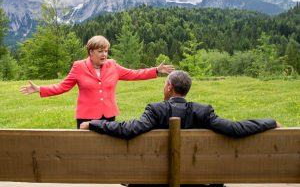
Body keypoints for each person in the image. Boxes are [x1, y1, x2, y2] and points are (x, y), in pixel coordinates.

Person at [20, 35, 174, 128]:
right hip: (86, 116)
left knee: (107, 149)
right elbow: (63, 87)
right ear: (91, 52)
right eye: (100, 51)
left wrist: (155, 70)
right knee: (85, 150)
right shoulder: (78, 66)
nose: (104, 54)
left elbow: (133, 74)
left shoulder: (112, 65)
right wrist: (40, 89)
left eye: (106, 51)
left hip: (108, 115)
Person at [80, 70, 281, 138]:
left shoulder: (156, 110)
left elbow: (128, 130)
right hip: (198, 180)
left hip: (154, 181)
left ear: (169, 87)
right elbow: (236, 128)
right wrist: (270, 122)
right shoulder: (203, 112)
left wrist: (93, 123)